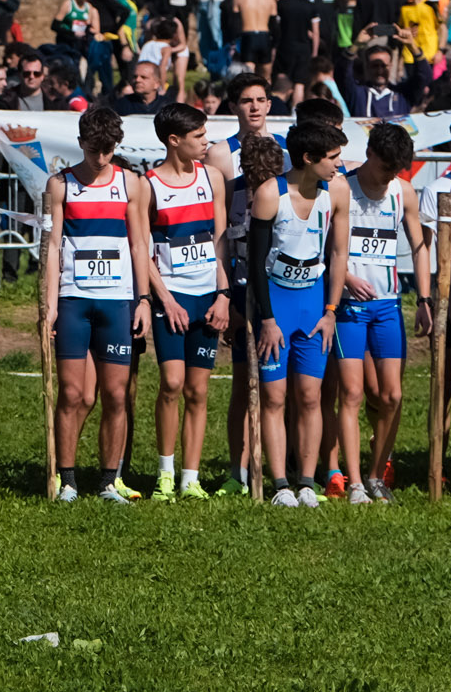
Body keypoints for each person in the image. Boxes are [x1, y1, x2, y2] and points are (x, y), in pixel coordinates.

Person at [40, 109, 149, 503]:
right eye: (92, 149)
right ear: (80, 141)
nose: (100, 158)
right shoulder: (61, 184)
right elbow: (52, 247)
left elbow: (140, 244)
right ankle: (66, 479)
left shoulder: (131, 184)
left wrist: (143, 300)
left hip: (117, 302)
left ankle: (107, 481)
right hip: (73, 299)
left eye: (107, 151)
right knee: (72, 393)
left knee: (115, 395)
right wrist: (50, 304)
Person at [246, 119, 348, 506]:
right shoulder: (271, 194)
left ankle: (307, 482)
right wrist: (267, 320)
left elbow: (338, 254)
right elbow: (255, 263)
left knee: (310, 395)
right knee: (274, 397)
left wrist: (331, 310)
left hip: (313, 305)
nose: (339, 165)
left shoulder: (336, 191)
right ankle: (280, 485)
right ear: (308, 158)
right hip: (276, 303)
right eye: (333, 158)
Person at [331, 119, 425, 502]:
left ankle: (376, 474)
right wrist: (347, 278)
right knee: (352, 393)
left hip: (388, 306)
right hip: (349, 307)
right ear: (369, 154)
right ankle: (353, 482)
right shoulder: (342, 188)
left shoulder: (402, 192)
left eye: (397, 170)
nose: (391, 176)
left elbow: (420, 246)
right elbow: (327, 247)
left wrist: (424, 298)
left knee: (391, 396)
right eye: (386, 167)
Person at [142, 106, 230, 498]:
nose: (205, 140)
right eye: (197, 135)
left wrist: (224, 295)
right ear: (173, 140)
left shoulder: (212, 178)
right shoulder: (149, 185)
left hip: (208, 297)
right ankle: (165, 472)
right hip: (171, 298)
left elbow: (221, 242)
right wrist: (165, 299)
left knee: (198, 390)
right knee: (172, 384)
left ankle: (190, 478)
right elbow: (140, 249)